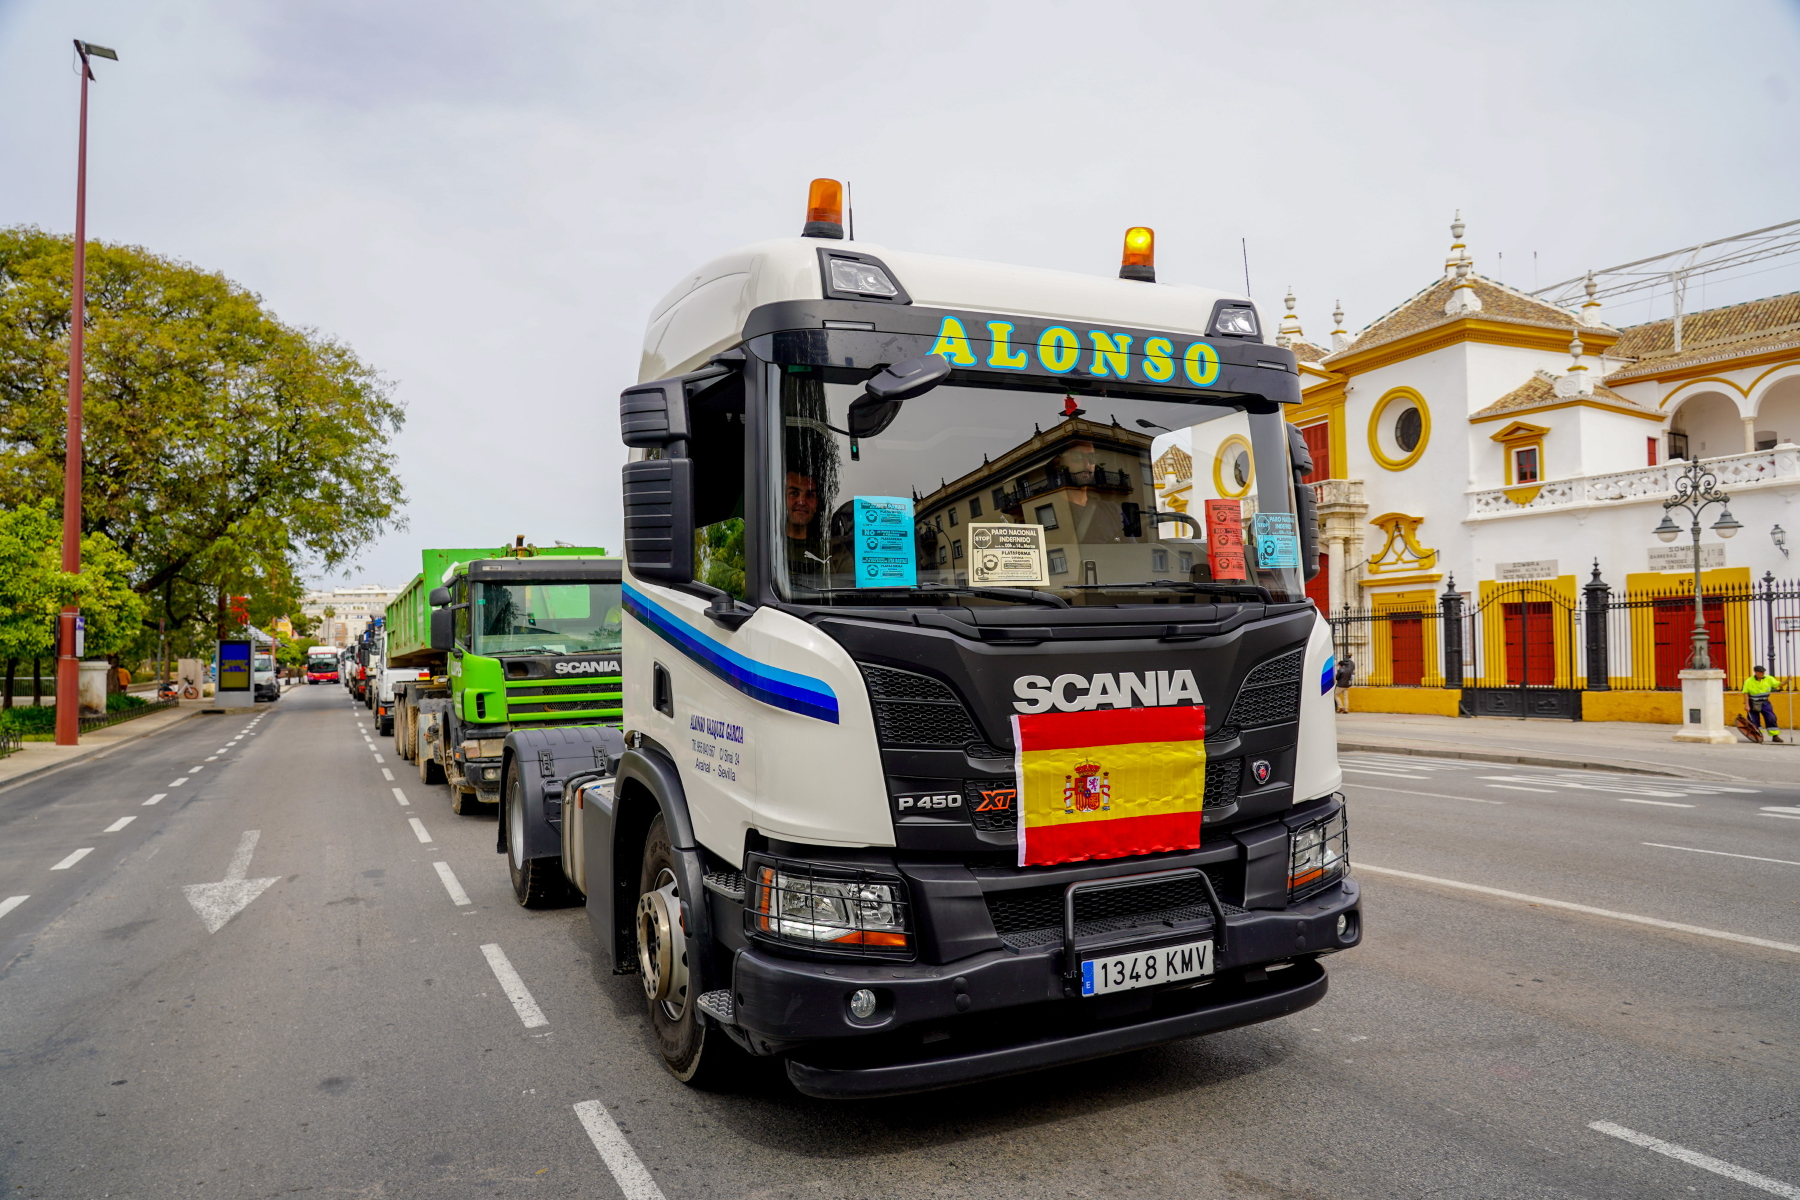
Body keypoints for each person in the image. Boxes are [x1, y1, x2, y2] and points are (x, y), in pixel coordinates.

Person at [785, 470, 822, 584]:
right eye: (794, 493)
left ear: (816, 504)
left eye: (810, 495)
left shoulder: (834, 551)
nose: (801, 502)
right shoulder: (762, 547)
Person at [1742, 665, 1784, 743]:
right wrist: (1747, 705)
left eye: (1763, 672)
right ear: (1756, 672)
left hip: (1765, 702)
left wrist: (1787, 680)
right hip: (1753, 702)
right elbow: (1746, 693)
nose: (1762, 673)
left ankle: (1775, 736)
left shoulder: (1769, 679)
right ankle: (1758, 736)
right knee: (1754, 720)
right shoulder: (1749, 681)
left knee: (1771, 717)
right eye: (1761, 672)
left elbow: (1779, 685)